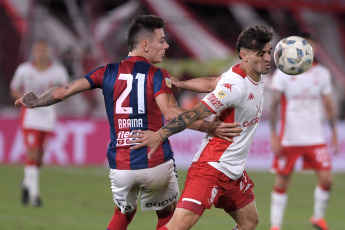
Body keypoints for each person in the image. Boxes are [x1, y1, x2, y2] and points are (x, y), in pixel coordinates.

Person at [15, 15, 240, 229]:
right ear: (144, 45)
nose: (166, 46)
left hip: (122, 164)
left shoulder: (106, 71)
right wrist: (208, 127)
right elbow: (171, 113)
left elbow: (64, 91)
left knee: (123, 213)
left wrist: (35, 102)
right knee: (166, 213)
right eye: (161, 41)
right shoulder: (156, 74)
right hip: (155, 162)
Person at [130, 25, 275, 230]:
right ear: (244, 55)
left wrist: (182, 84)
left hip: (234, 173)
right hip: (211, 168)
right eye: (261, 54)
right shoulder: (235, 86)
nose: (267, 58)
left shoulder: (248, 75)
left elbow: (211, 83)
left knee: (249, 222)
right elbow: (193, 113)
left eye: (269, 52)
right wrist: (160, 135)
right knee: (178, 226)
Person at [269, 33, 338, 230]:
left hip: (315, 136)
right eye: (308, 46)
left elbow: (328, 104)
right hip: (289, 137)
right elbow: (274, 105)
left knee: (327, 178)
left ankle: (318, 218)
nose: (312, 50)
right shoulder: (283, 73)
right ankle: (275, 226)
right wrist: (273, 135)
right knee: (282, 181)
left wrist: (333, 132)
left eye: (314, 46)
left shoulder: (322, 74)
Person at [10, 40, 69, 207]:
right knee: (32, 152)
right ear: (34, 53)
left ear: (48, 53)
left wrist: (57, 92)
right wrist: (22, 98)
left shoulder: (58, 71)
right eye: (38, 51)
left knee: (40, 156)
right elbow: (14, 88)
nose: (41, 54)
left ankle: (26, 184)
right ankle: (35, 196)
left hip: (48, 116)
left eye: (44, 51)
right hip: (30, 116)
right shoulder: (24, 69)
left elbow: (65, 90)